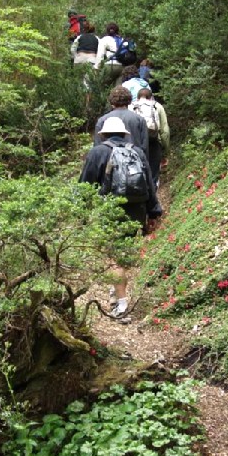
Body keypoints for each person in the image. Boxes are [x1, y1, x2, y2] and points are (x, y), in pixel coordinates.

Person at [79, 117, 162, 318]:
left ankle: (122, 304)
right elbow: (149, 184)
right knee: (122, 256)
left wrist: (81, 213)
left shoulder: (98, 152)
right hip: (136, 210)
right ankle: (116, 292)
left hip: (109, 210)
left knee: (113, 258)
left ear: (103, 134)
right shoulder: (138, 151)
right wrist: (154, 211)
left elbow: (85, 184)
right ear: (125, 134)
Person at [94, 86, 149, 158]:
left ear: (111, 101)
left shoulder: (102, 120)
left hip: (109, 164)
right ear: (129, 100)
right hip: (134, 164)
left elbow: (97, 148)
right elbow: (144, 148)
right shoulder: (139, 119)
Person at [132, 88, 170, 188]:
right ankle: (152, 196)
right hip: (154, 142)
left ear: (137, 97)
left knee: (138, 171)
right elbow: (165, 131)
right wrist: (165, 150)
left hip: (136, 144)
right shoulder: (157, 106)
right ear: (151, 97)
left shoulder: (131, 107)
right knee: (153, 173)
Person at [94, 22, 123, 87]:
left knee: (102, 87)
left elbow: (100, 55)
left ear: (107, 30)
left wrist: (96, 68)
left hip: (111, 65)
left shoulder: (105, 39)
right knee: (118, 90)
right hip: (122, 67)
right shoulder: (122, 40)